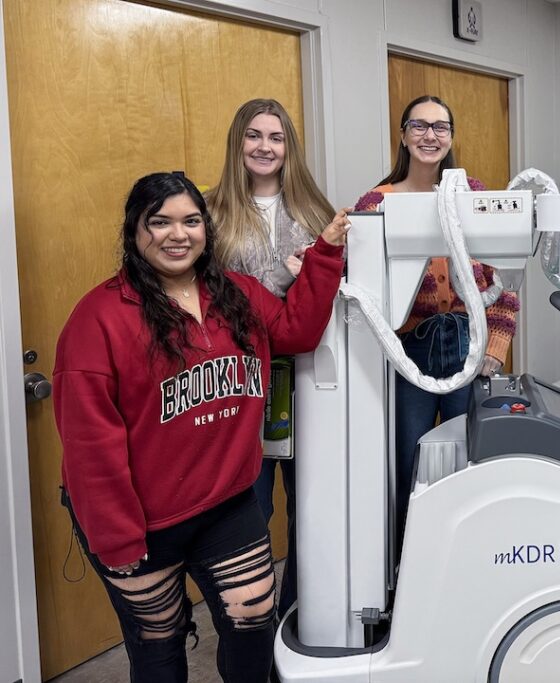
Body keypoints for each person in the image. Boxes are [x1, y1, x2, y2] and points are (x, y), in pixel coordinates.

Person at [53, 173, 348, 682]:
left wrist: (324, 256)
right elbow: (89, 445)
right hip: (140, 521)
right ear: (135, 232)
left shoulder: (236, 292)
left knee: (254, 621)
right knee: (159, 649)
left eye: (190, 221)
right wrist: (119, 541)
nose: (177, 234)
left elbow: (296, 331)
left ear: (206, 230)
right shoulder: (97, 319)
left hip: (227, 505)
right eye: (159, 222)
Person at [354, 94, 520, 545]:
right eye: (419, 126)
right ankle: (410, 559)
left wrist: (495, 346)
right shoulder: (376, 203)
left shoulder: (474, 197)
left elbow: (504, 280)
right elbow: (362, 289)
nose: (430, 135)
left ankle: (467, 549)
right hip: (410, 350)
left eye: (440, 127)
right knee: (408, 459)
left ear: (451, 137)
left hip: (468, 342)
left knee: (472, 456)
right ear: (404, 135)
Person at [206, 98, 338, 618]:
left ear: (290, 147)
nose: (265, 147)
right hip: (241, 385)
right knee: (247, 511)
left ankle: (300, 616)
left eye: (276, 137)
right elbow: (215, 298)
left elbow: (333, 294)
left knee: (312, 507)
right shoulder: (211, 212)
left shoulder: (315, 212)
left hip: (309, 380)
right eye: (254, 136)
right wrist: (285, 279)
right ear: (238, 142)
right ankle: (249, 623)